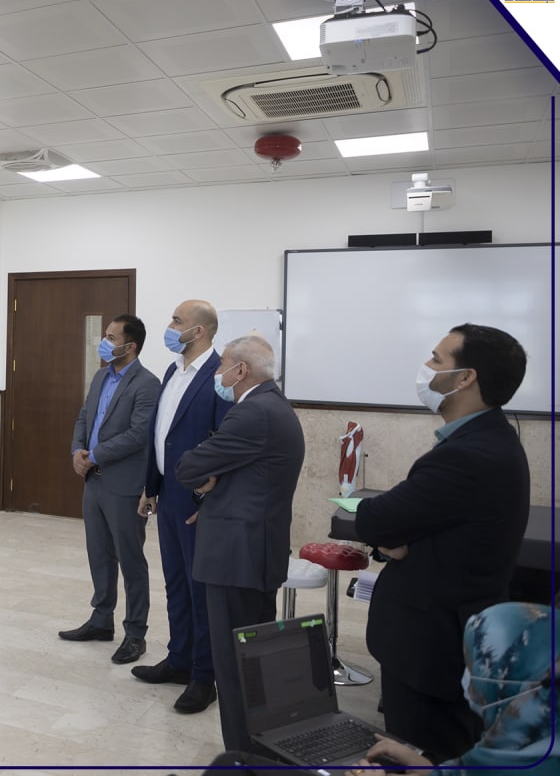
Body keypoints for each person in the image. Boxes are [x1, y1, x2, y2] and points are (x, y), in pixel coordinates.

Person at [354, 324, 530, 763]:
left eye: (436, 359)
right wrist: (393, 541)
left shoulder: (466, 456)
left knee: (423, 754)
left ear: (465, 377)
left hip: (432, 649)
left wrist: (392, 537)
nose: (426, 367)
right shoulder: (489, 438)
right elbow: (407, 525)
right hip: (447, 638)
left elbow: (374, 518)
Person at [197, 602, 559, 776]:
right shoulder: (522, 746)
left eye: (478, 669)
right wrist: (425, 768)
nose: (470, 682)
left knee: (232, 767)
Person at [175, 335, 305, 751]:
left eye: (222, 366)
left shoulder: (253, 412)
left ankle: (242, 756)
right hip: (253, 550)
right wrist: (217, 482)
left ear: (241, 370)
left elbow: (188, 465)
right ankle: (258, 751)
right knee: (253, 662)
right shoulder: (274, 405)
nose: (218, 374)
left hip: (237, 558)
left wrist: (208, 475)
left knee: (235, 667)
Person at [134, 300, 230, 714]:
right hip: (167, 493)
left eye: (177, 321)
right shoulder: (174, 371)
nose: (170, 326)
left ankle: (204, 676)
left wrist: (211, 498)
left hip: (196, 498)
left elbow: (225, 440)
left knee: (199, 588)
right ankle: (179, 659)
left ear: (200, 331)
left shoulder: (221, 375)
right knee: (175, 582)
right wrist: (150, 487)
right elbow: (162, 434)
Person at [61, 314, 160, 665]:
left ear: (130, 346)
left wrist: (95, 455)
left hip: (124, 484)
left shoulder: (147, 384)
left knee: (130, 560)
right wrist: (77, 450)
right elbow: (84, 417)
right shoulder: (101, 375)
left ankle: (135, 633)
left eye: (111, 337)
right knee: (99, 554)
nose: (104, 342)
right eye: (105, 335)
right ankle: (101, 620)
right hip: (95, 482)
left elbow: (138, 434)